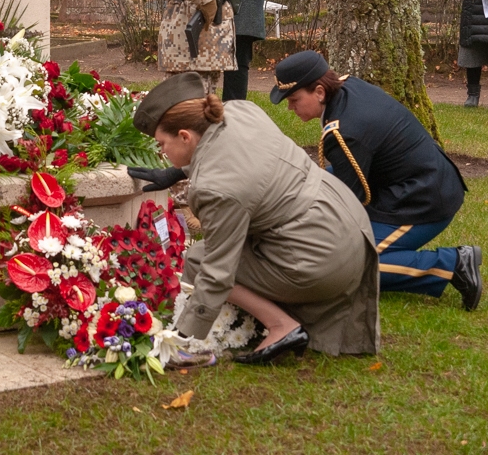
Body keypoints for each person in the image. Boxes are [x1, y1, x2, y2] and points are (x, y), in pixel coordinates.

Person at [131, 73, 380, 364]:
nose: (162, 153)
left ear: (185, 136)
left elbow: (217, 269)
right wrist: (181, 170)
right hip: (349, 224)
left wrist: (182, 338)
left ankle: (281, 326)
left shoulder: (215, 189)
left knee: (199, 259)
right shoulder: (239, 111)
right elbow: (239, 157)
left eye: (162, 145)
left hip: (322, 255)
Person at [272, 51, 484, 311]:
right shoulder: (347, 86)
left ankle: (453, 264)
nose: (291, 108)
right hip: (412, 182)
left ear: (318, 91)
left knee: (347, 265)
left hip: (422, 200)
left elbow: (348, 205)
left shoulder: (344, 132)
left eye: (294, 99)